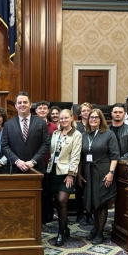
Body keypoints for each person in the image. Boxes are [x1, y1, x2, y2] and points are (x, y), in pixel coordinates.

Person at [81, 108, 120, 245]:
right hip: (89, 172)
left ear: (101, 119)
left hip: (104, 172)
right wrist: (80, 174)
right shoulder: (85, 135)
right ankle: (96, 227)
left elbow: (115, 156)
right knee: (92, 201)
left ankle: (100, 233)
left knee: (102, 202)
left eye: (96, 117)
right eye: (91, 117)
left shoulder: (108, 134)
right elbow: (81, 156)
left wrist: (111, 173)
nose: (93, 120)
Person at [47, 109, 82, 246]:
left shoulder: (77, 135)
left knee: (62, 201)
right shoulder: (56, 133)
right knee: (57, 201)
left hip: (67, 172)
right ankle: (65, 227)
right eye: (61, 118)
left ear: (71, 118)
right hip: (53, 171)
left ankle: (61, 233)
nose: (63, 120)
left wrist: (71, 174)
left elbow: (75, 156)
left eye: (66, 118)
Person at [1, 91, 50, 174]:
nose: (22, 104)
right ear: (16, 106)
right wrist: (17, 161)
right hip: (14, 169)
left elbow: (46, 144)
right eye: (19, 103)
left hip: (36, 169)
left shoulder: (41, 123)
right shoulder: (8, 125)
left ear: (30, 104)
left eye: (25, 102)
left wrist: (33, 161)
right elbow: (4, 145)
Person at [35, 100, 59, 228]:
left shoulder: (53, 127)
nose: (43, 110)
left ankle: (46, 217)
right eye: (40, 108)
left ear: (48, 111)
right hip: (36, 163)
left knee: (47, 192)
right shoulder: (32, 124)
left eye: (45, 108)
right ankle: (37, 217)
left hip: (49, 163)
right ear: (36, 111)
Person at [75, 102, 93, 223]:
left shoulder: (95, 124)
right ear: (80, 113)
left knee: (90, 188)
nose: (86, 113)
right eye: (83, 111)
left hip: (91, 161)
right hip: (79, 159)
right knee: (79, 188)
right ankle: (79, 213)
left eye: (88, 110)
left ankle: (89, 214)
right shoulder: (76, 126)